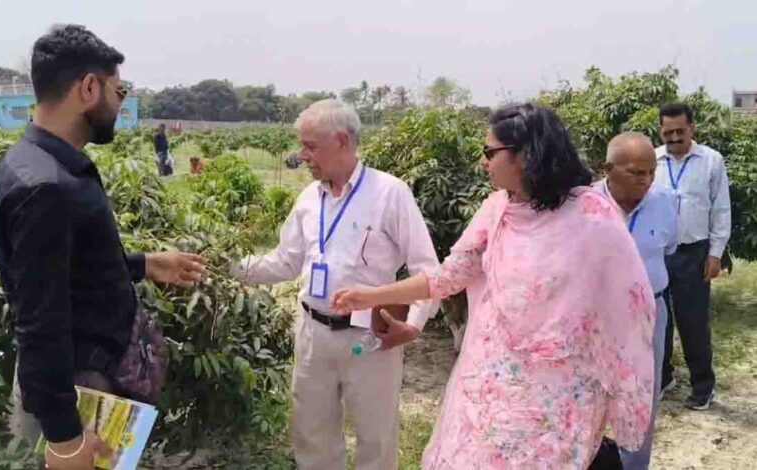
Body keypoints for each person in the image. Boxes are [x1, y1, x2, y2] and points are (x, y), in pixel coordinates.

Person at [332, 103, 656, 469]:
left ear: (525, 156)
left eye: (490, 152)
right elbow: (447, 277)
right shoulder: (497, 210)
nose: (482, 162)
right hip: (491, 383)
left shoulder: (592, 216)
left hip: (558, 390)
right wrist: (371, 296)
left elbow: (632, 303)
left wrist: (616, 377)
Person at [0, 25, 204, 470]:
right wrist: (66, 440)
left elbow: (66, 270)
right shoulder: (46, 188)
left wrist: (143, 264)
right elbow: (40, 322)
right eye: (118, 91)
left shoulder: (35, 163)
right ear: (88, 87)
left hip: (79, 384)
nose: (120, 104)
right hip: (78, 393)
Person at [230, 99, 439, 470]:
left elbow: (426, 268)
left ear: (342, 140)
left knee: (376, 437)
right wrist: (227, 267)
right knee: (312, 435)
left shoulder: (390, 193)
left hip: (370, 338)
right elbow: (285, 261)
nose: (302, 156)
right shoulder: (309, 199)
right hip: (313, 333)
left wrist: (414, 325)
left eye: (310, 146)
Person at [595, 132, 678, 470]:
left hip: (650, 314)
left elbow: (669, 248)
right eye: (635, 172)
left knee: (642, 397)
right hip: (596, 317)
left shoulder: (666, 201)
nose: (646, 180)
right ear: (608, 169)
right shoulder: (584, 205)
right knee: (590, 393)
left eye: (651, 172)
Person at [654, 103, 731, 410]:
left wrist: (715, 254)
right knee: (658, 320)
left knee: (693, 322)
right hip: (658, 252)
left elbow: (721, 210)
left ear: (692, 128)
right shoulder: (652, 160)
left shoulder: (711, 160)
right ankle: (663, 377)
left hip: (693, 252)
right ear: (660, 131)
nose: (674, 138)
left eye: (680, 131)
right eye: (668, 132)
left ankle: (702, 386)